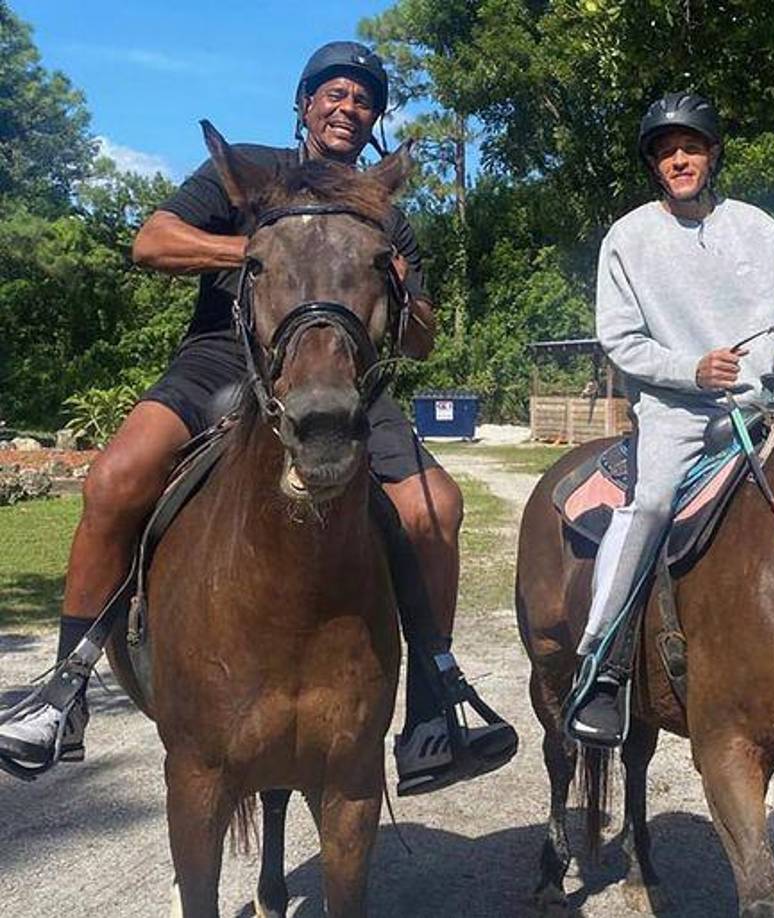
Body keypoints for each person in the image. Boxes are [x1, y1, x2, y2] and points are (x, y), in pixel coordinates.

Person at [0, 41, 517, 795]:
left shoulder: (384, 210)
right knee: (115, 477)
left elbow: (421, 339)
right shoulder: (246, 168)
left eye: (363, 99)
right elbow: (151, 242)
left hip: (344, 373)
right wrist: (261, 252)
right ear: (305, 104)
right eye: (333, 94)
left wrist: (403, 290)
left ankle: (435, 704)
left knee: (435, 508)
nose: (348, 107)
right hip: (224, 355)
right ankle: (65, 689)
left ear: (374, 120)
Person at [565, 90, 774, 746]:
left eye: (690, 148)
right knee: (650, 506)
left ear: (711, 155)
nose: (679, 160)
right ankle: (603, 667)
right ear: (654, 166)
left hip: (768, 404)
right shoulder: (628, 238)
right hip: (677, 412)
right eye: (665, 152)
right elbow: (619, 339)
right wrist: (690, 371)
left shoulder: (760, 229)